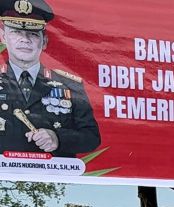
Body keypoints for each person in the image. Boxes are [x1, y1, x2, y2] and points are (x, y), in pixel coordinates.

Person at [0, 0, 100, 158]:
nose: (24, 39)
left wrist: (58, 138)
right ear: (3, 37)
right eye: (16, 32)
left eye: (32, 34)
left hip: (53, 178)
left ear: (44, 42)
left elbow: (92, 138)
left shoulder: (70, 85)